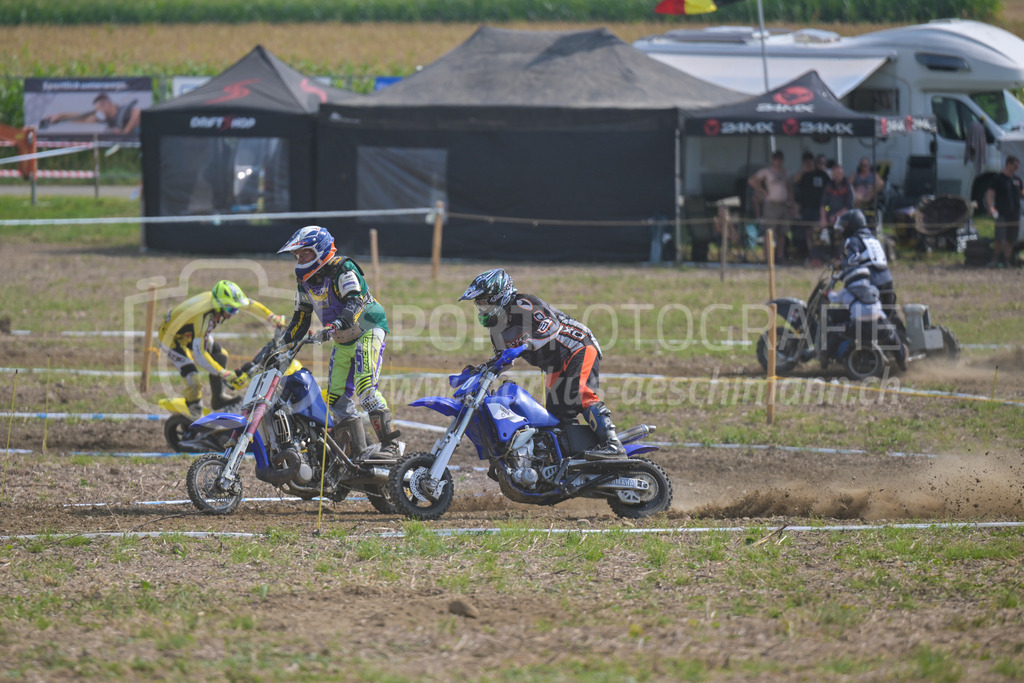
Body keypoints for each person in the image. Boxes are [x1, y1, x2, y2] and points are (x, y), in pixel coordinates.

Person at [459, 269, 624, 459]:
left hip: (578, 346)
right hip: (554, 365)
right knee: (557, 415)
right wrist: (482, 370)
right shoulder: (496, 330)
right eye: (479, 304)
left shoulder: (524, 304)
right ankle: (573, 458)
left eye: (484, 303)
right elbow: (504, 361)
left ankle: (613, 444)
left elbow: (551, 328)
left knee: (580, 393)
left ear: (498, 297)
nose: (482, 308)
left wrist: (524, 345)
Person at [277, 225, 400, 461]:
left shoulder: (343, 268)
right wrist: (282, 347)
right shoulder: (304, 281)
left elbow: (355, 301)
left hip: (367, 328)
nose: (300, 259)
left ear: (320, 250)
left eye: (305, 253)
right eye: (297, 255)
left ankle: (390, 446)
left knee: (365, 387)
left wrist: (335, 325)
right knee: (335, 398)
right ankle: (357, 452)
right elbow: (300, 319)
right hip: (342, 339)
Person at [158, 280, 288, 419]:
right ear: (218, 306)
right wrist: (224, 373)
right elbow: (200, 354)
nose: (233, 314)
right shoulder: (204, 317)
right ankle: (194, 413)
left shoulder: (218, 302)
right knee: (193, 378)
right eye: (231, 310)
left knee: (220, 355)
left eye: (235, 310)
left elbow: (250, 304)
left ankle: (218, 398)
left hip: (189, 332)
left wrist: (271, 317)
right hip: (171, 339)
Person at [826, 266, 908, 371]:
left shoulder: (845, 292)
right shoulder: (874, 290)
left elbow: (834, 298)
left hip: (858, 328)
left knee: (836, 332)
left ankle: (826, 358)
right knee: (892, 333)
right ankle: (901, 361)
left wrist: (828, 292)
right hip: (879, 326)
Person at [837, 209, 900, 326]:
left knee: (854, 311)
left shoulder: (853, 240)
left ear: (852, 225)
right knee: (890, 316)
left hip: (871, 283)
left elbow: (852, 261)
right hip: (888, 281)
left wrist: (841, 265)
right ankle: (902, 335)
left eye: (845, 225)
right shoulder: (873, 238)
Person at [748, 150, 796, 263]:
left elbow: (789, 188)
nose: (778, 161)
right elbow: (752, 180)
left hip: (783, 205)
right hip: (771, 205)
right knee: (769, 232)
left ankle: (780, 256)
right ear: (772, 160)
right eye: (776, 159)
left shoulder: (784, 172)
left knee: (782, 233)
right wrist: (761, 190)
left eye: (780, 159)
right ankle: (767, 257)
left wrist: (792, 203)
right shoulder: (766, 171)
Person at [984, 155, 1024, 268]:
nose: (1016, 168)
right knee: (999, 238)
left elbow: (1022, 193)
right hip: (1002, 214)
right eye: (1015, 166)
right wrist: (991, 207)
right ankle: (995, 260)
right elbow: (990, 194)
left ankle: (1007, 261)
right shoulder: (998, 178)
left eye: (1018, 166)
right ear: (1008, 164)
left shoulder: (1017, 180)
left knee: (1010, 240)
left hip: (1015, 214)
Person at [40, 93, 141, 136]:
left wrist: (125, 132)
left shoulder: (123, 110)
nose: (99, 112)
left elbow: (137, 113)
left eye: (99, 109)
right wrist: (59, 116)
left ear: (106, 103)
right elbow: (83, 118)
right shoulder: (106, 119)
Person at [792, 151, 830, 262]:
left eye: (810, 161)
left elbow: (829, 185)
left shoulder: (821, 174)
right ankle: (812, 255)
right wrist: (803, 169)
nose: (808, 163)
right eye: (806, 161)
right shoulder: (803, 175)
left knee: (817, 232)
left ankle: (819, 255)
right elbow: (795, 180)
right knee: (808, 232)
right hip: (806, 208)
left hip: (819, 208)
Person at [819, 160, 855, 262]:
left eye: (840, 173)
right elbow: (824, 204)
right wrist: (823, 218)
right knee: (818, 230)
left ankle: (839, 257)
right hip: (829, 215)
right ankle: (822, 257)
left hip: (845, 217)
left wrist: (836, 216)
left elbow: (848, 206)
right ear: (832, 175)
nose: (838, 176)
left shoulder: (847, 186)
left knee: (839, 232)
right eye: (835, 173)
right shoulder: (829, 186)